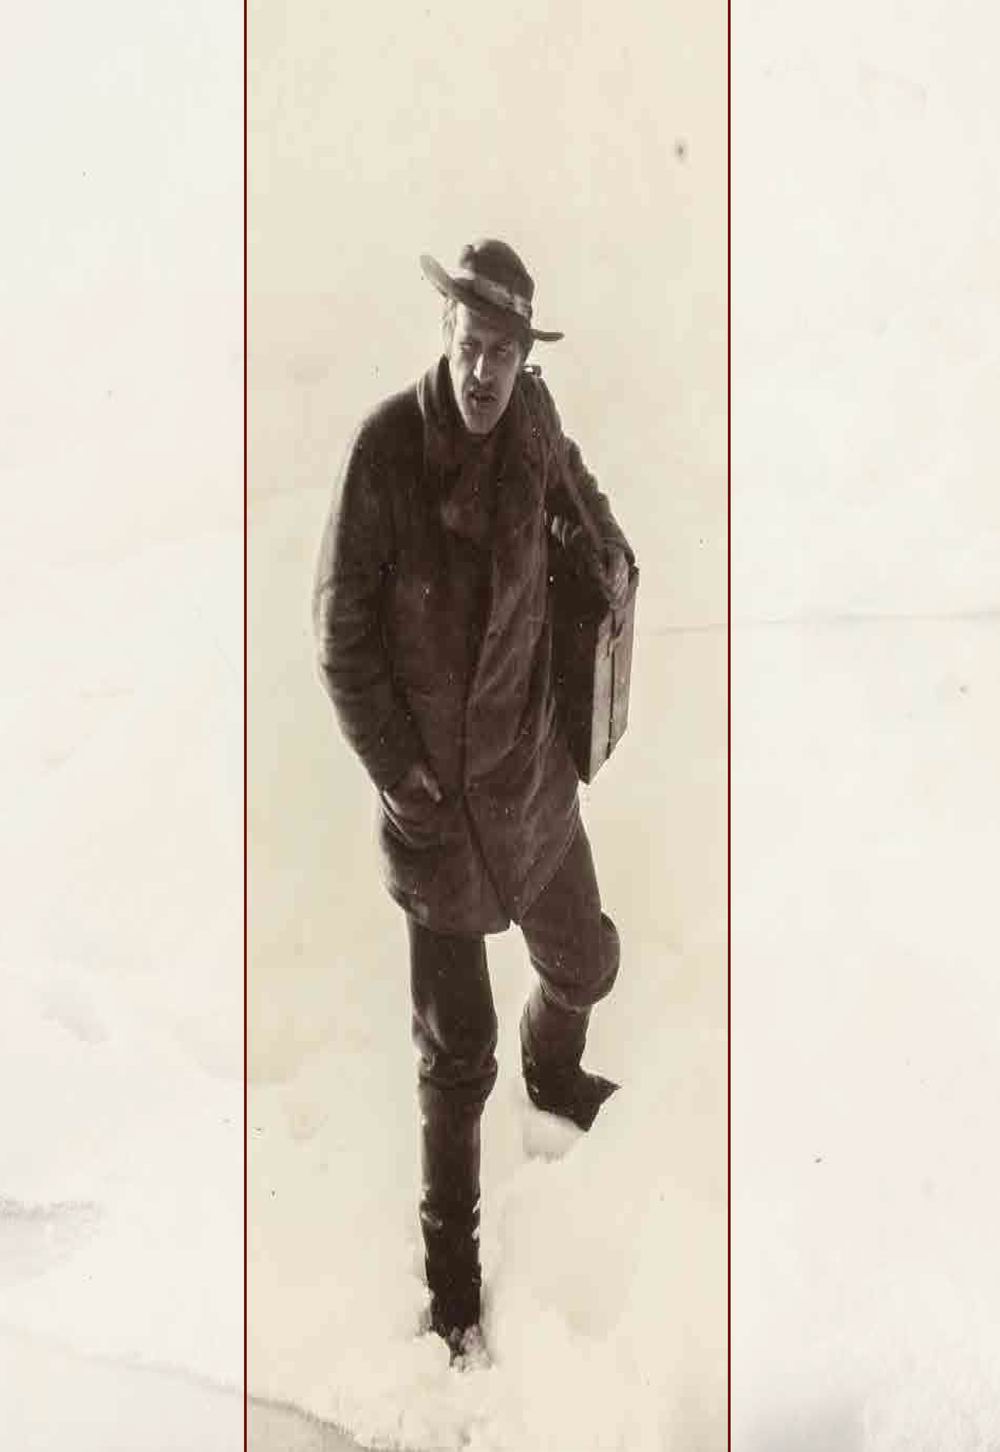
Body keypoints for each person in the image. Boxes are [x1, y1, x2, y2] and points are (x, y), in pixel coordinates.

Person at [312, 239, 635, 1357]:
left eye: (505, 351)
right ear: (444, 334)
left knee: (584, 961)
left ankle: (556, 1073)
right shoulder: (385, 453)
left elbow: (576, 496)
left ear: (523, 357)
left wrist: (609, 556)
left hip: (529, 780)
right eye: (472, 345)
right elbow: (341, 639)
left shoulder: (532, 423)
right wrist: (403, 776)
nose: (486, 372)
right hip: (440, 817)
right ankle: (452, 1287)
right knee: (457, 1059)